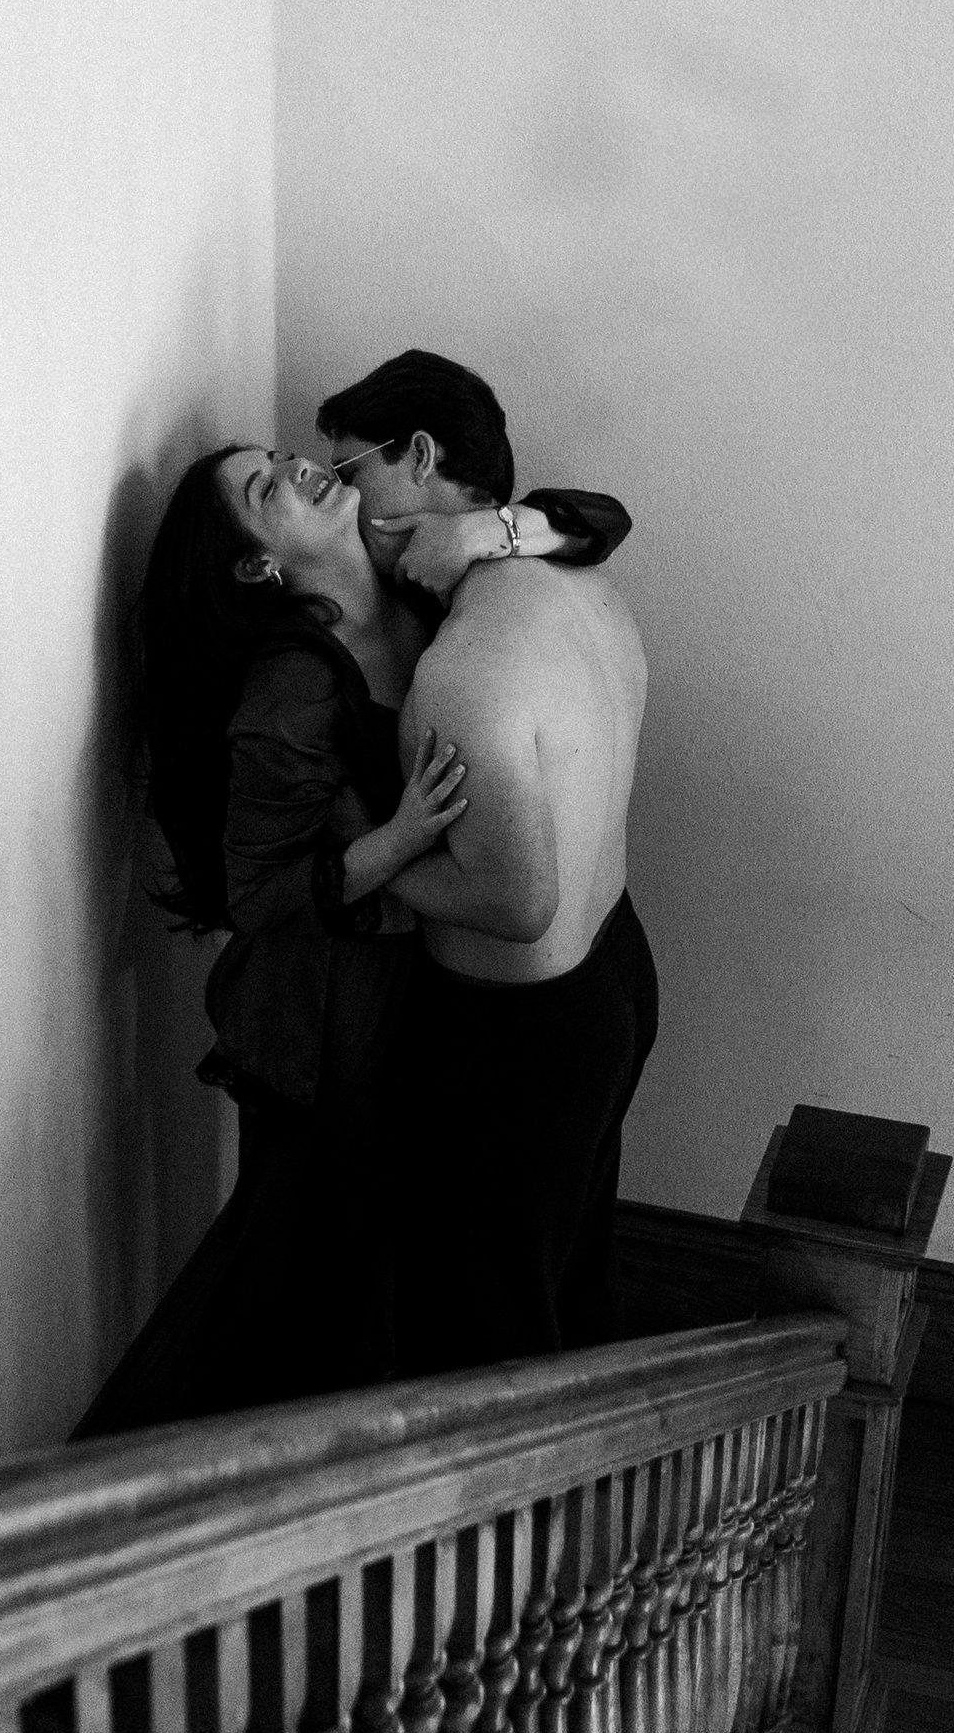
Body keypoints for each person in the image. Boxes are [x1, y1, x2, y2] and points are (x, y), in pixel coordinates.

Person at [77, 440, 605, 1430]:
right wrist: (400, 841)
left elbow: (595, 519)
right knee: (324, 1278)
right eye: (262, 488)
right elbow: (257, 893)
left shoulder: (420, 582)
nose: (295, 466)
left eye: (280, 454)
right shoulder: (293, 689)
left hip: (415, 986)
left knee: (401, 1265)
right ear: (256, 564)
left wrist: (487, 529)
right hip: (327, 1022)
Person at [312, 352, 655, 1373]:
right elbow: (595, 516)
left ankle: (523, 1533)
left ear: (418, 457)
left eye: (348, 471)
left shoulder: (469, 665)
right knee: (567, 1291)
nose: (344, 500)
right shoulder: (574, 577)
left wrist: (364, 856)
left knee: (486, 1337)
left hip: (519, 1036)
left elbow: (510, 901)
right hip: (615, 971)